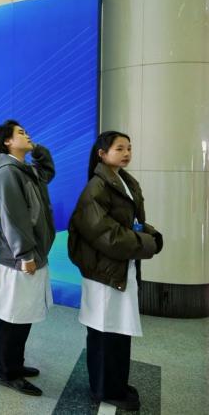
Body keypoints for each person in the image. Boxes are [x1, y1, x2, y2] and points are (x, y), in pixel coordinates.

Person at [69, 131, 163, 412]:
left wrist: (151, 234)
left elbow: (130, 223)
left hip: (118, 269)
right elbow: (107, 235)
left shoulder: (123, 181)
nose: (127, 153)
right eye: (119, 148)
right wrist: (147, 243)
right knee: (104, 332)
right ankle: (105, 389)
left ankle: (116, 383)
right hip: (104, 273)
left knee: (118, 331)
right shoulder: (96, 188)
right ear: (102, 153)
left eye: (129, 148)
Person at [0, 120, 56, 397]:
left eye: (28, 132)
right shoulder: (7, 173)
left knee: (22, 315)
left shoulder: (24, 169)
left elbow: (47, 170)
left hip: (30, 254)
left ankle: (15, 364)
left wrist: (35, 147)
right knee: (13, 317)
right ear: (7, 141)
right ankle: (7, 372)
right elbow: (12, 217)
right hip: (20, 257)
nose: (28, 135)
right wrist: (24, 253)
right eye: (21, 133)